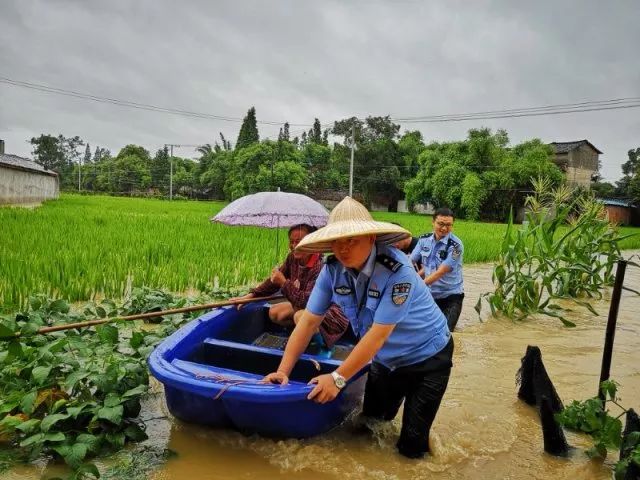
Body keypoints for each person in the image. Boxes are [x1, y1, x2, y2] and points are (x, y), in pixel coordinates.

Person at [263, 197, 453, 459]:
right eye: (337, 241)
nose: (343, 248)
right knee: (368, 427)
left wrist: (338, 378)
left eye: (351, 240)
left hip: (428, 358)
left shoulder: (398, 272)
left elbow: (378, 335)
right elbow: (308, 321)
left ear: (371, 238)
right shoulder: (331, 271)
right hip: (385, 360)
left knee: (411, 447)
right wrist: (282, 371)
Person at [231, 224, 349, 348]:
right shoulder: (293, 258)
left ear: (310, 242)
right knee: (275, 312)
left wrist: (283, 283)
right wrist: (250, 296)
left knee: (300, 316)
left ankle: (321, 345)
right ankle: (302, 334)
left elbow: (309, 302)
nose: (294, 246)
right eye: (291, 241)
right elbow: (272, 283)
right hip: (305, 310)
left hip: (329, 314)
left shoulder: (320, 266)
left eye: (298, 241)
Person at [410, 208, 464, 331]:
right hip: (429, 296)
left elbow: (440, 272)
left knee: (446, 333)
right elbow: (410, 262)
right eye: (441, 224)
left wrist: (416, 285)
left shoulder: (456, 246)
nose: (444, 228)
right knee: (423, 331)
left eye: (448, 225)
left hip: (451, 297)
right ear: (433, 222)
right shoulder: (423, 240)